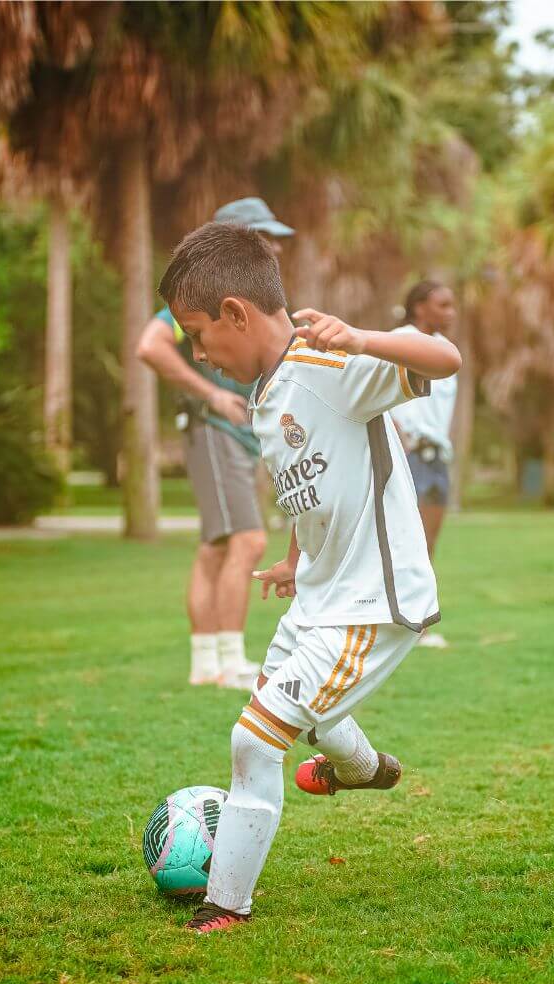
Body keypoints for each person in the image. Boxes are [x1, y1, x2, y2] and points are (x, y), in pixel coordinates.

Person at [156, 222, 461, 934]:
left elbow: (444, 357)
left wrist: (362, 339)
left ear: (236, 311)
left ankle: (225, 906)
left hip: (372, 603)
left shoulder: (330, 365)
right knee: (299, 711)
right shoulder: (266, 395)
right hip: (320, 596)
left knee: (255, 740)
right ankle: (363, 767)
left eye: (200, 335)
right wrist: (296, 558)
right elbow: (311, 480)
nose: (200, 354)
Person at [135, 198, 295, 689]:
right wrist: (211, 395)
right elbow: (150, 345)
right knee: (246, 541)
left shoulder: (244, 298)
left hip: (236, 438)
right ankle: (229, 662)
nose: (274, 247)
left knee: (214, 548)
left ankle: (206, 662)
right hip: (214, 431)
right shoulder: (198, 298)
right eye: (263, 235)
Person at [390, 280, 459, 649]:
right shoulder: (399, 340)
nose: (451, 312)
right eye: (443, 305)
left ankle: (419, 624)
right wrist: (400, 436)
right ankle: (400, 622)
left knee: (428, 544)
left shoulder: (447, 351)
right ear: (419, 307)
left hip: (437, 456)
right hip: (409, 454)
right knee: (406, 541)